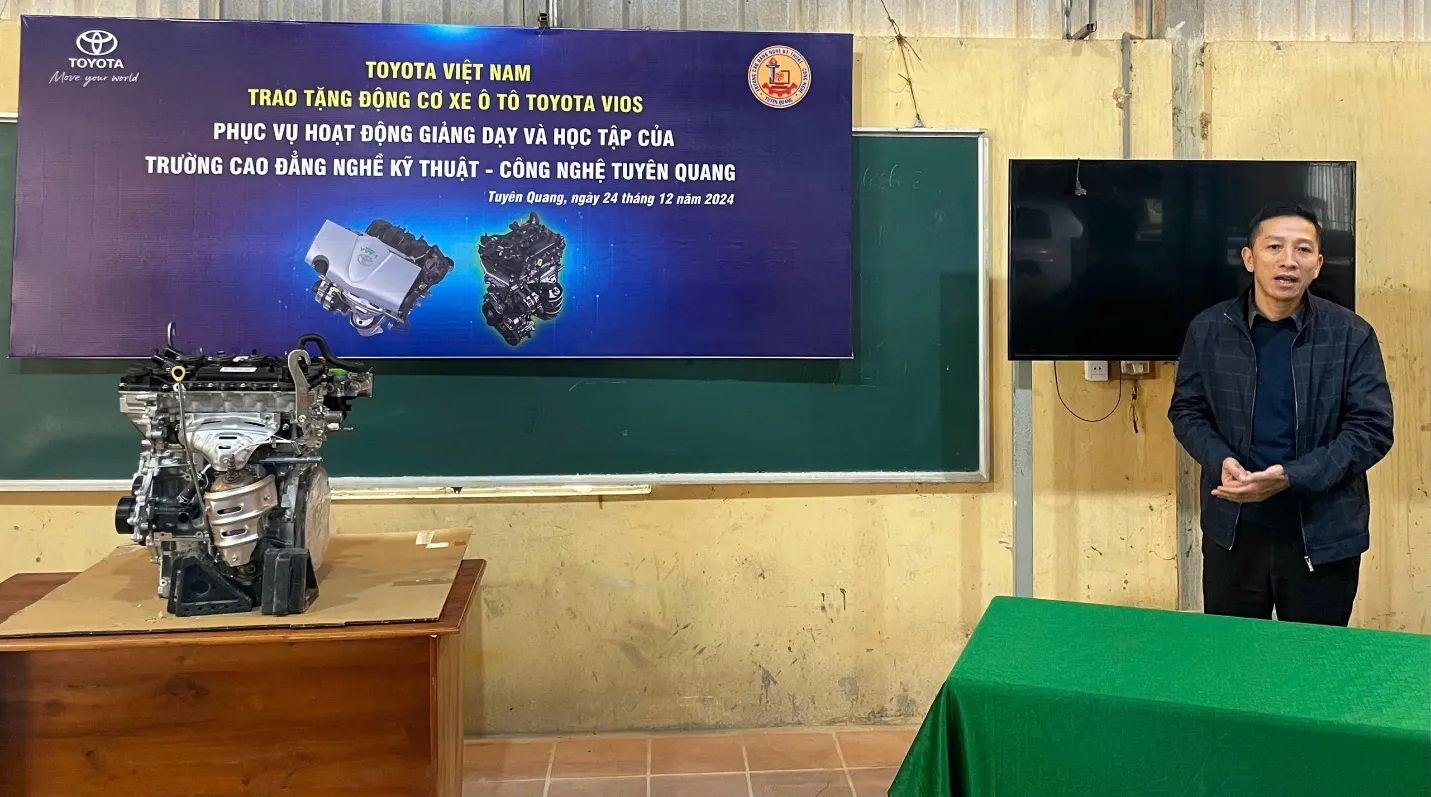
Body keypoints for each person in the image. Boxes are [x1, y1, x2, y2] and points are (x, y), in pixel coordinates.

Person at [1168, 203, 1394, 626]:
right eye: (1274, 247)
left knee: (1313, 660)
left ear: (1317, 265)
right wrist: (1220, 460)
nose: (1289, 260)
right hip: (1233, 532)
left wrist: (1291, 476)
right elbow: (1187, 410)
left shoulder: (1352, 334)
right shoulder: (1209, 329)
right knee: (1234, 656)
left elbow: (1372, 429)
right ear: (1249, 258)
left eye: (1303, 250)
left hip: (1324, 534)